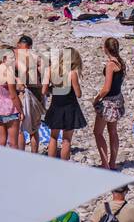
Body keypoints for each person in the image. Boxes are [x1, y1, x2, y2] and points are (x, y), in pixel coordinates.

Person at [42, 48, 85, 160]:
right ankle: (63, 166)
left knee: (53, 137)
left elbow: (44, 91)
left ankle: (51, 163)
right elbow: (78, 94)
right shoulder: (72, 74)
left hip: (56, 106)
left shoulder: (51, 70)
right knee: (66, 140)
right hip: (70, 108)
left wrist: (54, 90)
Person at [91, 38, 126, 170]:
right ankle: (112, 162)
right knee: (113, 131)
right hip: (117, 99)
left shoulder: (110, 64)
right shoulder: (121, 62)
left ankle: (105, 164)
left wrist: (96, 98)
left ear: (106, 48)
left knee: (97, 132)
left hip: (108, 102)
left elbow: (106, 88)